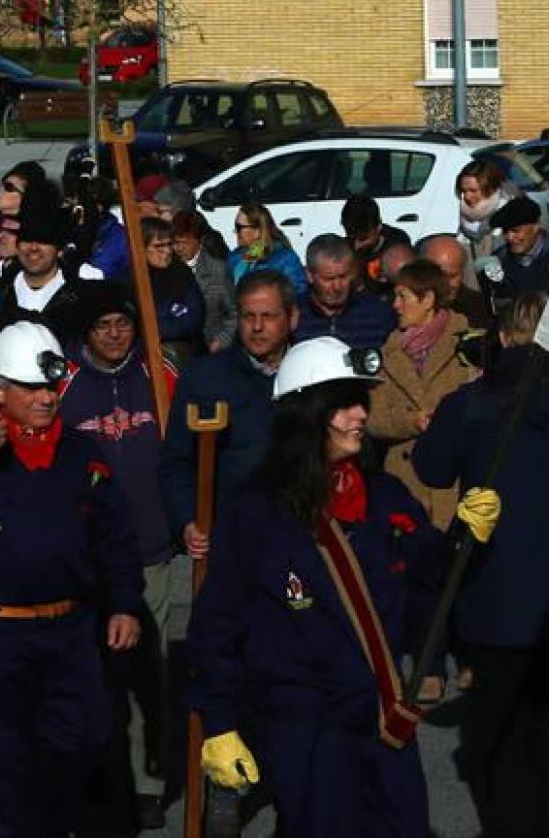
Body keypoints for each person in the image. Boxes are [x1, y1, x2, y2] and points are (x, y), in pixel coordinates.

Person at [188, 336, 496, 837]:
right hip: (305, 725)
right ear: (306, 415)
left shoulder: (384, 496)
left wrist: (466, 539)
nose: (360, 415)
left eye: (361, 402)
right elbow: (216, 625)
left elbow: (433, 577)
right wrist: (220, 723)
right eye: (344, 405)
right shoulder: (258, 510)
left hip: (381, 715)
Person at [0, 321, 144, 837]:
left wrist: (125, 602)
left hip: (68, 630)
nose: (45, 397)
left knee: (80, 749)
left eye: (50, 387)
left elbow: (114, 535)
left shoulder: (81, 452)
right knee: (7, 767)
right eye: (31, 387)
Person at [412, 293, 549, 838]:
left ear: (501, 339)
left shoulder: (474, 402)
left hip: (497, 595)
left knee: (500, 742)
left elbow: (430, 468)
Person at [57, 287, 179, 832]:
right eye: (103, 324)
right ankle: (100, 774)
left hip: (150, 547)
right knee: (92, 672)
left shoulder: (160, 372)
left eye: (122, 323)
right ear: (86, 331)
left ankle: (149, 779)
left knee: (148, 672)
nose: (114, 333)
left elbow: (188, 449)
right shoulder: (63, 386)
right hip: (86, 559)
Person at [366, 261, 477, 703]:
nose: (395, 305)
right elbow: (374, 416)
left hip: (454, 478)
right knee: (416, 579)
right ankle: (429, 664)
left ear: (428, 299)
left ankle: (469, 657)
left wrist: (448, 423)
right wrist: (411, 420)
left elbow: (483, 397)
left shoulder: (466, 343)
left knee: (463, 575)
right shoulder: (389, 349)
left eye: (403, 297)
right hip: (407, 478)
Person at [159, 271, 296, 564]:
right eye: (248, 316)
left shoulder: (312, 375)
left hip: (299, 535)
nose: (257, 327)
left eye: (268, 316)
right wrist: (187, 522)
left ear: (291, 317)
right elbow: (176, 461)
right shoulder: (204, 377)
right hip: (231, 538)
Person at [0, 196, 100, 350]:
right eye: (27, 239)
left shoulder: (82, 290)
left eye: (44, 240)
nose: (33, 247)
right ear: (17, 247)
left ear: (59, 250)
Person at [294, 234, 396, 351]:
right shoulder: (294, 315)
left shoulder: (377, 314)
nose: (337, 287)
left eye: (343, 277)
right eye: (329, 279)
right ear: (309, 275)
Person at [142, 216, 207, 362]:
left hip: (187, 354)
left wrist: (157, 327)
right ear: (142, 248)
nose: (167, 251)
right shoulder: (129, 280)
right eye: (159, 246)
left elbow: (193, 317)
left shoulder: (182, 273)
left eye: (169, 244)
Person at [484, 198, 549, 305]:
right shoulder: (498, 261)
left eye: (516, 231)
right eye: (505, 231)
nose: (509, 237)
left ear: (536, 226)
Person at [172, 209, 234, 351]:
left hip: (209, 348)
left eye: (185, 243)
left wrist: (220, 341)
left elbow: (233, 313)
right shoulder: (167, 268)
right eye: (175, 242)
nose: (179, 248)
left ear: (199, 241)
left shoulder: (218, 270)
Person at [417, 232, 496, 337]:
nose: (446, 284)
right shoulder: (407, 303)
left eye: (453, 276)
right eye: (441, 276)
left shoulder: (480, 307)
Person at [225, 201, 307, 296]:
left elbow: (299, 292)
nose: (236, 231)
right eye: (236, 226)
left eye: (239, 227)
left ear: (257, 231)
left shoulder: (285, 259)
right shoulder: (235, 257)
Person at [342, 195, 412, 291]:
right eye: (352, 237)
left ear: (379, 226)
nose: (357, 244)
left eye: (363, 238)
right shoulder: (345, 248)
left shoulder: (397, 242)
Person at [457, 159, 513, 262]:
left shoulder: (510, 222)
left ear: (491, 189)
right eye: (464, 191)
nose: (467, 197)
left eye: (473, 190)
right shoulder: (466, 217)